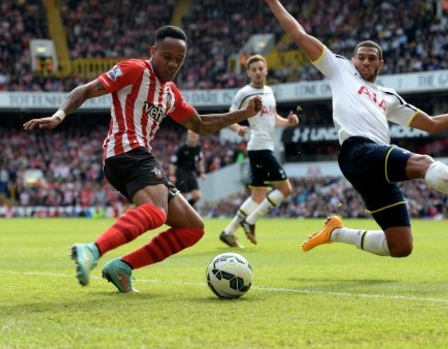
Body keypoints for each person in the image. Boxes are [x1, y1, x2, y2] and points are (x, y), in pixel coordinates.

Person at [251, 0, 448, 258]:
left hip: (373, 163)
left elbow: (431, 124)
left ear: (381, 63)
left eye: (371, 58)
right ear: (353, 59)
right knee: (422, 162)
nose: (365, 62)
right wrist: (273, 0)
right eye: (361, 57)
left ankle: (336, 232)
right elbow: (299, 34)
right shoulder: (339, 69)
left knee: (400, 246)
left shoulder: (389, 97)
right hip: (357, 151)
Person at [23, 26, 262, 293]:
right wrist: (59, 115)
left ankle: (122, 267)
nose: (172, 64)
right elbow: (86, 90)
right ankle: (92, 250)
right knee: (157, 212)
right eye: (167, 56)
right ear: (153, 51)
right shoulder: (135, 70)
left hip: (137, 156)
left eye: (179, 60)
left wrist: (242, 114)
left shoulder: (170, 93)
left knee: (193, 228)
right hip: (125, 151)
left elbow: (199, 124)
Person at [219, 54, 299, 248]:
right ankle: (251, 220)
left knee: (258, 195)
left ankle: (228, 232)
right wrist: (237, 127)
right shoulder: (244, 93)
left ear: (266, 70)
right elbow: (229, 116)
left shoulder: (270, 91)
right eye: (253, 69)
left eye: (260, 68)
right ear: (248, 72)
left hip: (263, 147)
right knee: (286, 189)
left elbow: (273, 118)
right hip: (259, 147)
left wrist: (288, 122)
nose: (257, 72)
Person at [168, 129, 206, 207]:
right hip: (181, 173)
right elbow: (172, 162)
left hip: (191, 173)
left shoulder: (198, 149)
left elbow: (200, 161)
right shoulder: (182, 149)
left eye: (195, 136)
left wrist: (202, 173)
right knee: (183, 196)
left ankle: (186, 209)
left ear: (197, 137)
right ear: (188, 136)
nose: (193, 137)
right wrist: (172, 175)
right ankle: (180, 211)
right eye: (191, 135)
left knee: (197, 195)